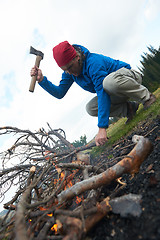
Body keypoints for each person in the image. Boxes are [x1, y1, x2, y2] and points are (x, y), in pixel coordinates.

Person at [30, 41, 156, 146]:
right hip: (115, 90)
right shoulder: (70, 73)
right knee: (91, 108)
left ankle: (147, 98)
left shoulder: (93, 62)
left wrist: (102, 128)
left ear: (76, 57)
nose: (69, 72)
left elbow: (102, 92)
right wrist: (42, 80)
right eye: (65, 70)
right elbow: (59, 93)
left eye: (70, 66)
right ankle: (129, 109)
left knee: (108, 83)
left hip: (130, 78)